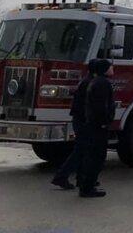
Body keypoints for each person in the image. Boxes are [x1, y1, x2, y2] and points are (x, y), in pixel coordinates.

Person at [50, 62, 95, 190]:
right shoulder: (91, 83)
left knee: (83, 150)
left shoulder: (86, 81)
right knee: (80, 151)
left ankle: (80, 178)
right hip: (84, 121)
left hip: (80, 120)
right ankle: (61, 177)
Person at [77, 58, 115, 198]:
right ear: (104, 69)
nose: (112, 69)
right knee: (97, 156)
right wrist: (104, 122)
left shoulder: (95, 82)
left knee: (91, 155)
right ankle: (88, 187)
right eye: (110, 67)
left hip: (92, 124)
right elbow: (101, 106)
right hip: (98, 126)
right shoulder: (103, 84)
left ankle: (86, 185)